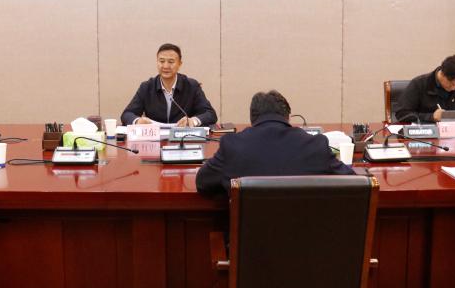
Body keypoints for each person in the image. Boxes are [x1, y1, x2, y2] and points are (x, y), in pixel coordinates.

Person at [195, 90, 354, 197]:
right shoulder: (315, 145)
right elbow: (353, 182)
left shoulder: (232, 145)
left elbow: (202, 184)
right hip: (307, 237)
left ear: (252, 118)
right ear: (287, 117)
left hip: (250, 239)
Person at [121, 43, 217, 127]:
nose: (166, 66)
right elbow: (127, 114)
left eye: (171, 62)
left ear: (180, 64)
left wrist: (193, 121)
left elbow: (210, 114)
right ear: (157, 62)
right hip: (155, 138)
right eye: (161, 61)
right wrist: (138, 121)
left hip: (183, 138)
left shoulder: (191, 86)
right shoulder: (147, 87)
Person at [395, 54, 455, 123]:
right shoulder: (419, 84)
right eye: (452, 84)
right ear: (442, 73)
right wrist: (431, 117)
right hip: (428, 136)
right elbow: (402, 114)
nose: (454, 88)